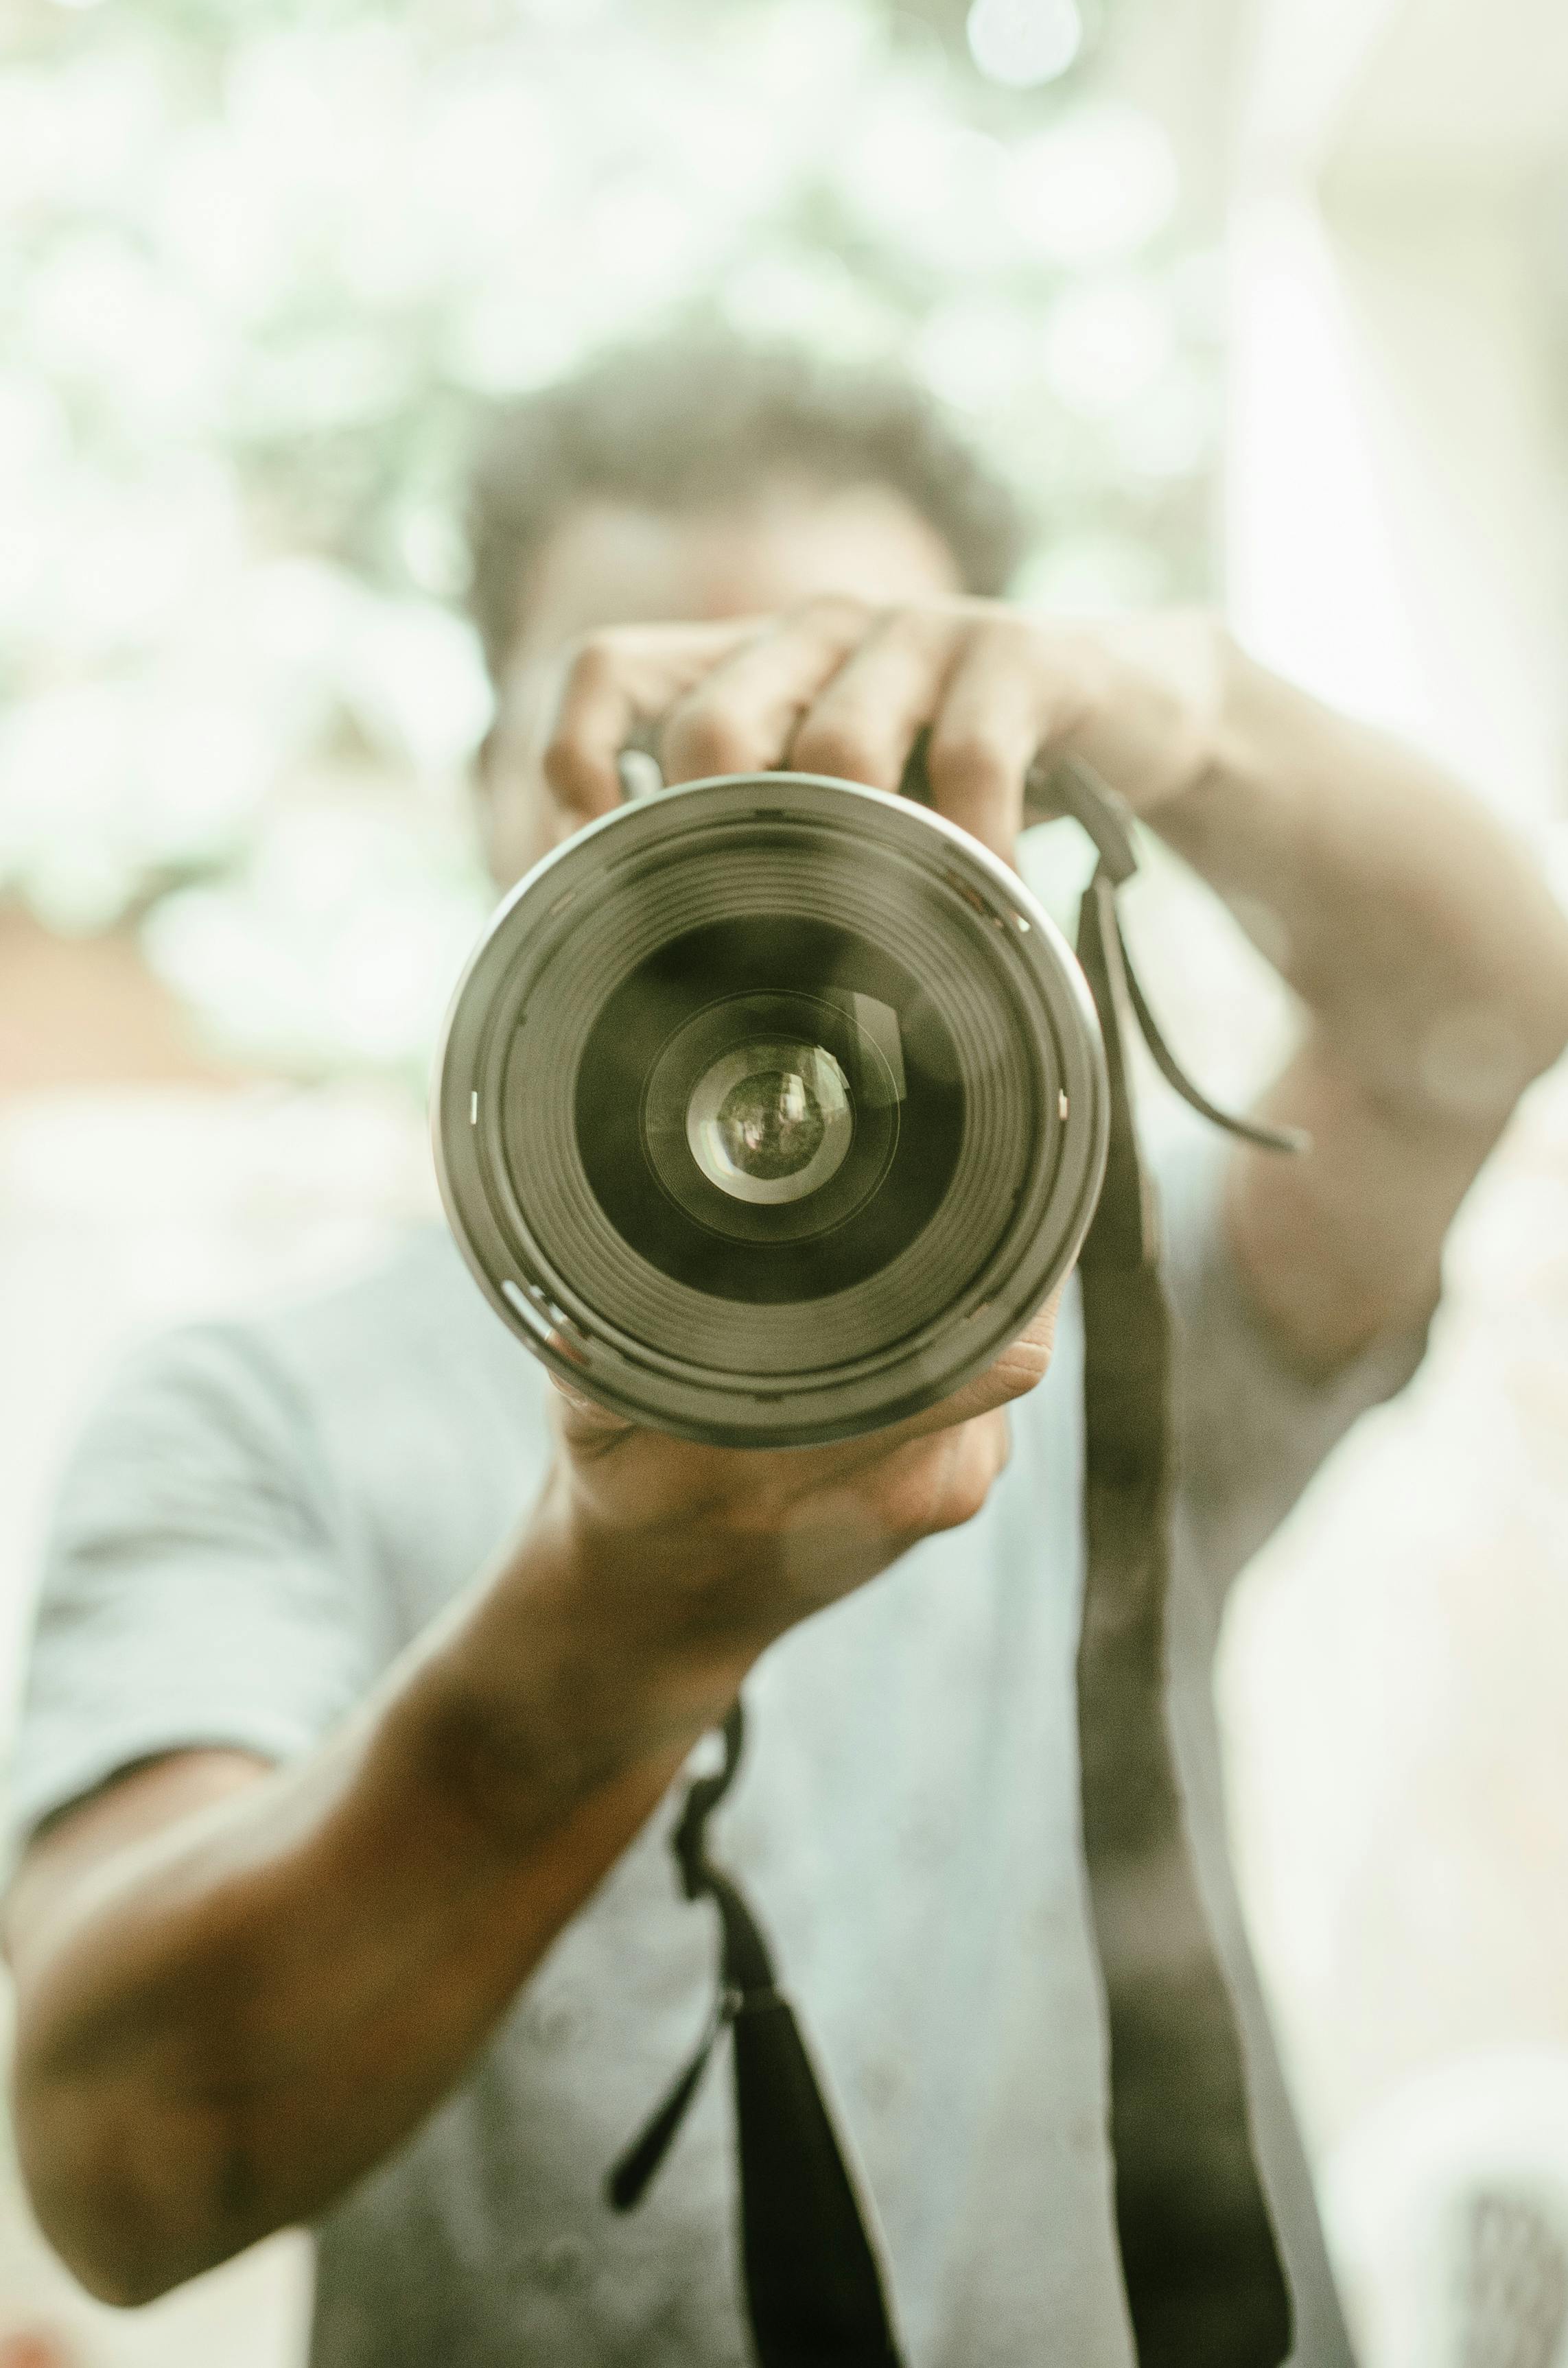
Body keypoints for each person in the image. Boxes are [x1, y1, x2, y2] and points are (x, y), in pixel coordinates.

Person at [6, 333, 1568, 2368]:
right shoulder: (261, 1420)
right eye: (661, 742)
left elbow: (1484, 1010)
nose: (758, 839)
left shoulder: (1116, 1307)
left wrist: (1176, 704)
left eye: (866, 737)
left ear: (1014, 808)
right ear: (500, 787)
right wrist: (609, 1627)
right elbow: (123, 2167)